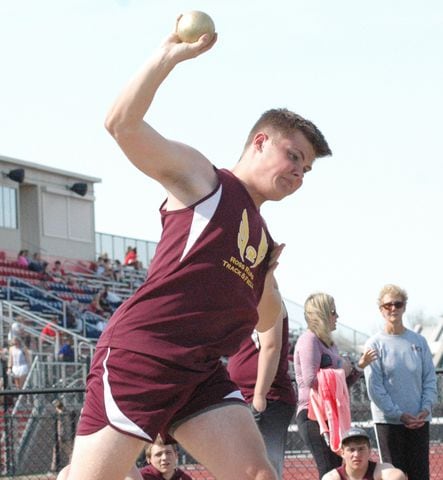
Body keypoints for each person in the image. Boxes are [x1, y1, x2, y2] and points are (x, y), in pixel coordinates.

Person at [63, 20, 331, 480]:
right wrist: (168, 55)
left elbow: (267, 321)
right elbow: (121, 123)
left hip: (201, 372)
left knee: (257, 474)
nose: (298, 173)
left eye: (306, 169)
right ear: (260, 141)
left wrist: (266, 272)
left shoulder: (262, 238)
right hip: (143, 357)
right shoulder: (205, 181)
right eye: (293, 156)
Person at [294, 293, 377, 479]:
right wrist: (342, 371)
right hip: (314, 416)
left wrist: (357, 367)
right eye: (333, 312)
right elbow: (310, 380)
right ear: (322, 314)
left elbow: (342, 385)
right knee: (329, 472)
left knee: (341, 471)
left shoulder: (330, 344)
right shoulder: (309, 340)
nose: (337, 316)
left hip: (333, 416)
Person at [364, 284, 437, 480]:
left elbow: (430, 378)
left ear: (404, 307)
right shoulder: (374, 344)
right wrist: (399, 414)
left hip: (419, 421)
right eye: (388, 305)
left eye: (398, 304)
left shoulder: (419, 342)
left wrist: (425, 408)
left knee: (420, 475)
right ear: (381, 309)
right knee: (394, 476)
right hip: (389, 423)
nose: (393, 309)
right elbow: (375, 388)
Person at [227, 304, 296, 478]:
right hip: (242, 397)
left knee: (263, 470)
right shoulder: (242, 306)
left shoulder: (268, 300)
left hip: (267, 399)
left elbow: (271, 347)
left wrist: (260, 395)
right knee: (244, 469)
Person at [321, 427, 406, 480]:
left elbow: (398, 476)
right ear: (342, 453)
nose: (356, 454)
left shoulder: (381, 470)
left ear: (369, 451)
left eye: (361, 449)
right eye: (351, 450)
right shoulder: (333, 477)